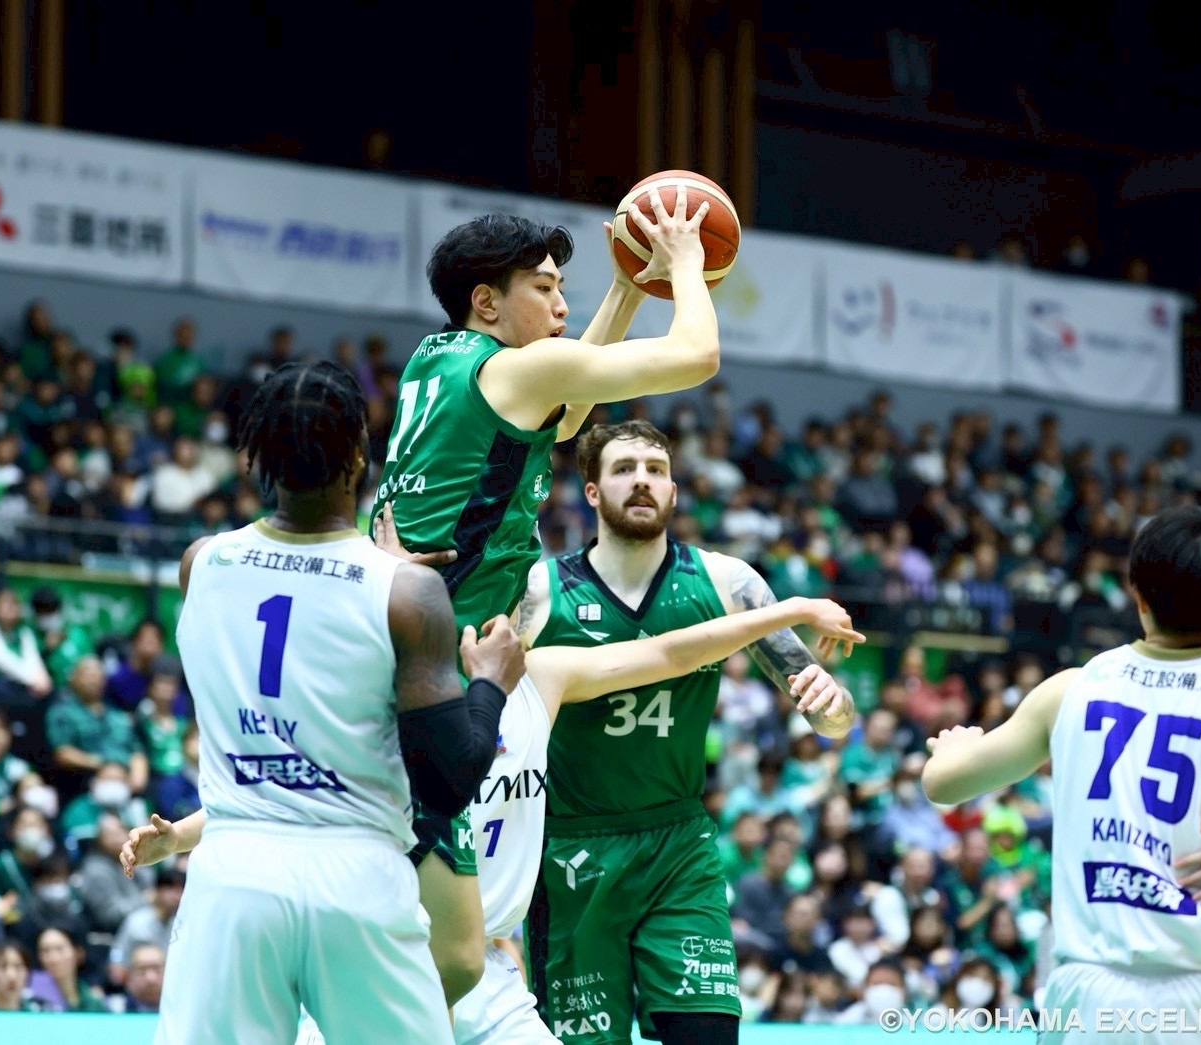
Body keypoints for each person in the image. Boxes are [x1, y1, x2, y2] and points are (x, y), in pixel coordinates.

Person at [123, 559, 862, 1040]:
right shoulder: (398, 697)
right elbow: (309, 783)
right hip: (388, 959)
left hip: (491, 973)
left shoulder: (546, 676)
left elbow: (672, 651)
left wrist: (789, 608)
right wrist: (180, 836)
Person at [371, 189, 723, 1010]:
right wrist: (685, 262)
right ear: (486, 301)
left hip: (402, 647)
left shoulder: (437, 358)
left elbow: (563, 421)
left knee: (443, 946)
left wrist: (626, 289)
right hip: (433, 669)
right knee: (450, 957)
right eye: (543, 286)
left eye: (564, 286)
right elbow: (697, 354)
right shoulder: (517, 368)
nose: (561, 303)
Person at [152, 360, 524, 1045]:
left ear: (253, 459)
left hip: (234, 869)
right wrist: (490, 684)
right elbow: (447, 784)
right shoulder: (404, 593)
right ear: (357, 456)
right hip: (356, 875)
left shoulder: (200, 563)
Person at [516, 421, 857, 1045]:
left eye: (656, 469)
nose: (641, 480)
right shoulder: (540, 593)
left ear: (674, 491)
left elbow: (831, 719)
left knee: (707, 1034)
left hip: (678, 844)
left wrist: (834, 704)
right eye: (623, 469)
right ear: (592, 492)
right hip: (571, 849)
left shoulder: (728, 583)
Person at [923, 505, 1201, 1045]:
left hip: (1089, 1001)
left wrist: (953, 749)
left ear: (1136, 593)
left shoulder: (1070, 688)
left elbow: (943, 784)